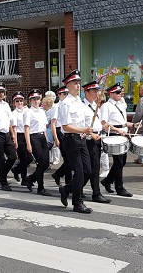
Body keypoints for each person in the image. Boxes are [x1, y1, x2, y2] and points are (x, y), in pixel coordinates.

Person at [57, 70, 93, 213]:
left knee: (88, 171)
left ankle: (66, 189)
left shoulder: (79, 102)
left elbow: (84, 120)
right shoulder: (66, 103)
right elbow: (65, 126)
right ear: (68, 86)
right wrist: (82, 130)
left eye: (78, 83)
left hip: (81, 139)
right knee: (79, 172)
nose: (78, 86)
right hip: (71, 140)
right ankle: (77, 203)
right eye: (74, 83)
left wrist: (86, 131)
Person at [100, 82, 139, 197]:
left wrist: (133, 125)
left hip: (123, 134)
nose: (120, 94)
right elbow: (103, 123)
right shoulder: (106, 106)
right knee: (119, 162)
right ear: (110, 94)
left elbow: (122, 123)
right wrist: (118, 131)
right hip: (113, 135)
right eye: (118, 92)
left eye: (121, 92)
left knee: (122, 161)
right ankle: (119, 187)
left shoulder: (120, 105)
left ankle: (107, 181)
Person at [82, 81, 111, 203]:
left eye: (96, 91)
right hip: (87, 140)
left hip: (97, 139)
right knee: (88, 169)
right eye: (93, 91)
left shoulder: (95, 106)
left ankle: (95, 193)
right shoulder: (82, 107)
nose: (96, 94)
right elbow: (81, 125)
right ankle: (70, 188)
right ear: (86, 92)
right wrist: (91, 133)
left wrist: (103, 127)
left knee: (95, 168)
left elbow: (97, 123)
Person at [24, 89, 51, 196]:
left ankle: (30, 178)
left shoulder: (42, 111)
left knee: (46, 163)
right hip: (33, 137)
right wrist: (28, 144)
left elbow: (44, 127)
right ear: (30, 100)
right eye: (34, 99)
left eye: (38, 99)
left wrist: (46, 139)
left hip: (42, 137)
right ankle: (41, 187)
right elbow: (26, 129)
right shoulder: (28, 112)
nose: (36, 101)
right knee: (41, 162)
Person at [51, 86, 71, 186]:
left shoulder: (68, 105)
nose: (66, 96)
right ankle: (67, 181)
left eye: (67, 93)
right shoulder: (57, 106)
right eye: (64, 94)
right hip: (60, 131)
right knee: (67, 159)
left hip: (68, 131)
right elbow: (53, 123)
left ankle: (58, 174)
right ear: (59, 95)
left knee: (70, 159)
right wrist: (55, 138)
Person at [10, 91, 29, 185]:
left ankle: (16, 170)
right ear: (14, 103)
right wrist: (15, 141)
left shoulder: (27, 111)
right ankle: (24, 179)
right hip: (19, 135)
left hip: (27, 135)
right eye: (17, 101)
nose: (19, 103)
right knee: (24, 158)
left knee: (29, 158)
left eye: (21, 101)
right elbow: (14, 128)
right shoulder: (14, 114)